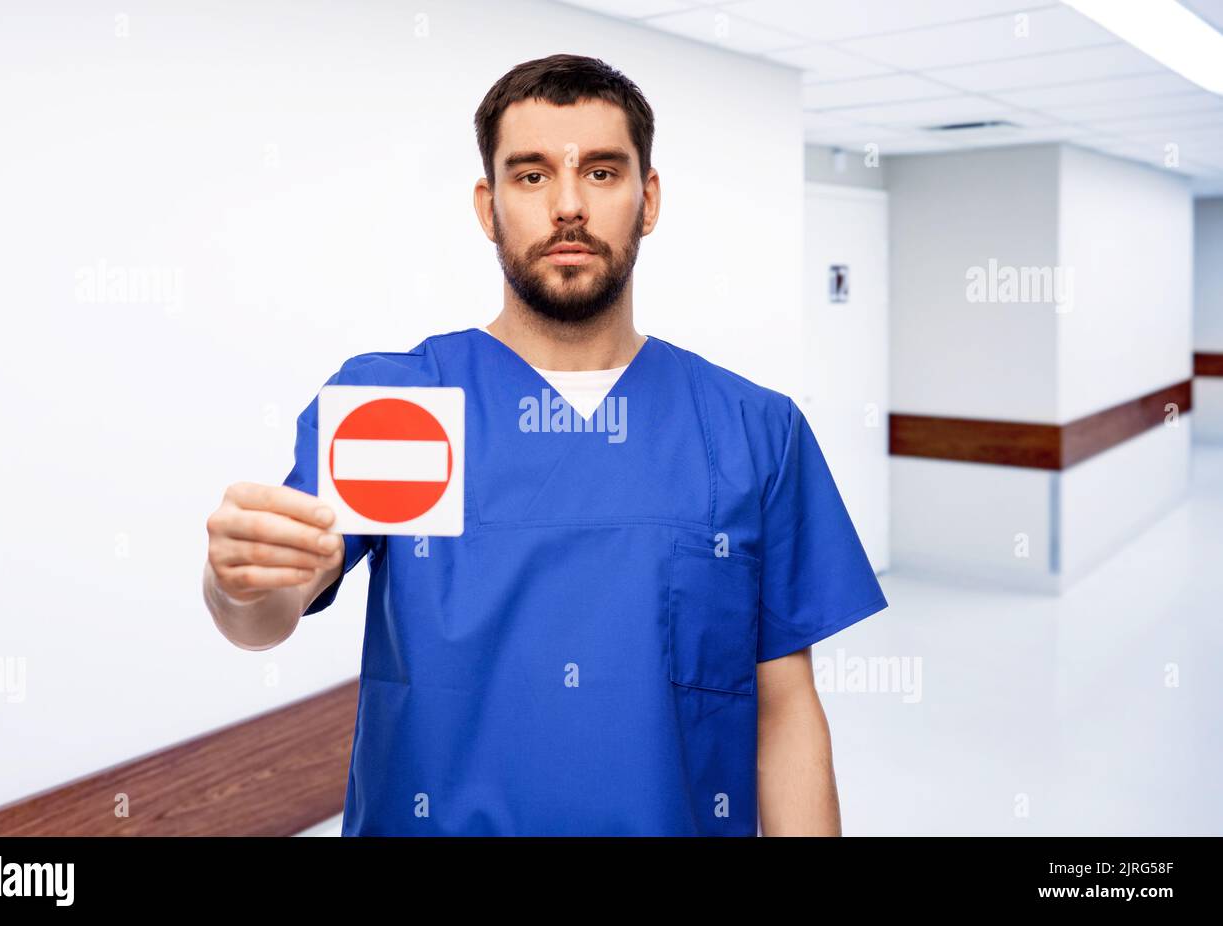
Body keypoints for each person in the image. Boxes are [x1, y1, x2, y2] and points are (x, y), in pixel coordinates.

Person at [203, 53, 888, 836]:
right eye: (530, 177)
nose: (568, 206)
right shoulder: (400, 408)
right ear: (488, 207)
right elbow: (268, 613)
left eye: (601, 172)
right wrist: (239, 584)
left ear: (648, 198)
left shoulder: (753, 430)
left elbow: (786, 715)